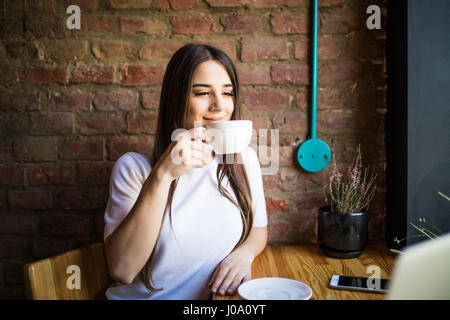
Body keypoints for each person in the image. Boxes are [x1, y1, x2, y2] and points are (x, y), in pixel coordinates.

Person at [103, 43, 268, 300]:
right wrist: (163, 175)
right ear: (176, 99)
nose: (219, 106)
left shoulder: (244, 160)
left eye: (227, 93)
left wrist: (245, 254)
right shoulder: (134, 168)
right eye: (202, 93)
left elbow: (258, 230)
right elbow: (122, 270)